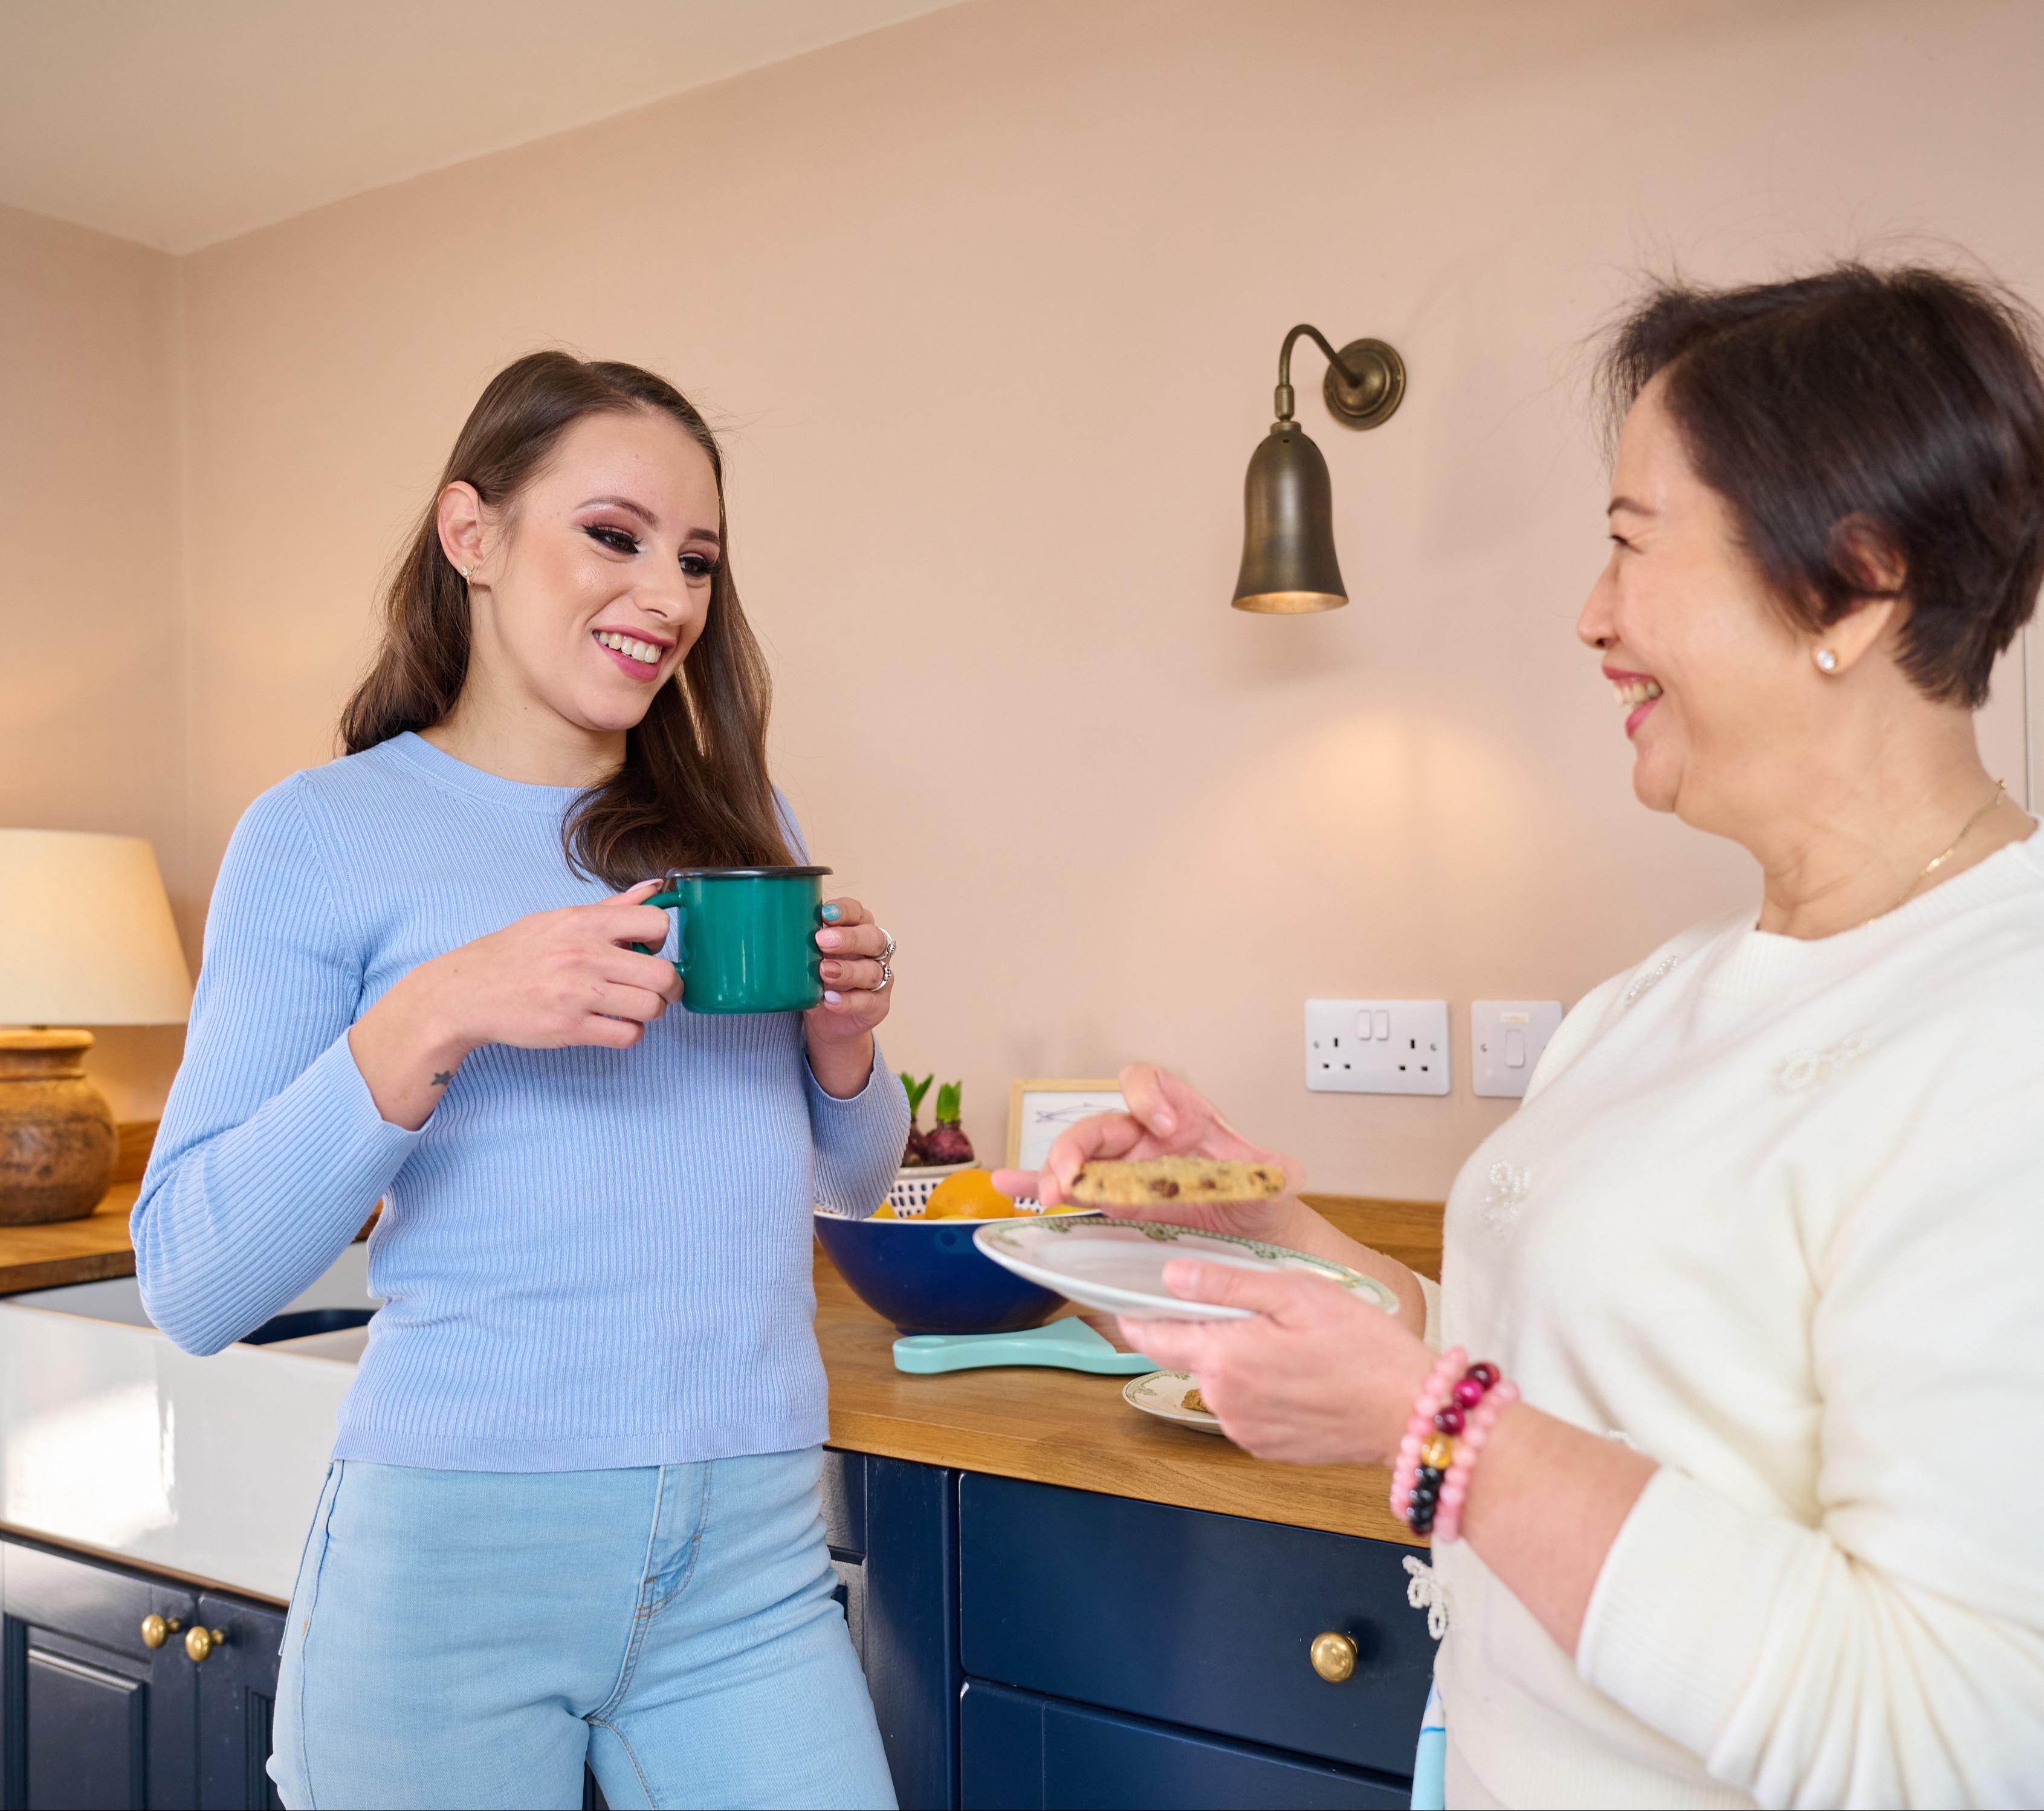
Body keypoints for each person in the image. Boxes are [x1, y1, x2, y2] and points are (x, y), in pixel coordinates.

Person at [999, 265, 2044, 1809]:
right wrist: (1264, 1231)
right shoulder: (1654, 1001)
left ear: (1856, 581)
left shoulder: (2000, 1021)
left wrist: (1432, 1438)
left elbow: (1952, 1733)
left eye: (1631, 545)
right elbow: (1535, 1371)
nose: (1591, 616)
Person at [133, 352, 907, 1810]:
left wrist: (844, 1050)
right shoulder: (320, 832)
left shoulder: (742, 823)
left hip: (746, 1551)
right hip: (452, 1567)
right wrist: (437, 1010)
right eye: (612, 535)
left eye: (695, 559)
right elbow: (191, 1279)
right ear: (470, 535)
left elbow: (843, 1181)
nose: (666, 596)